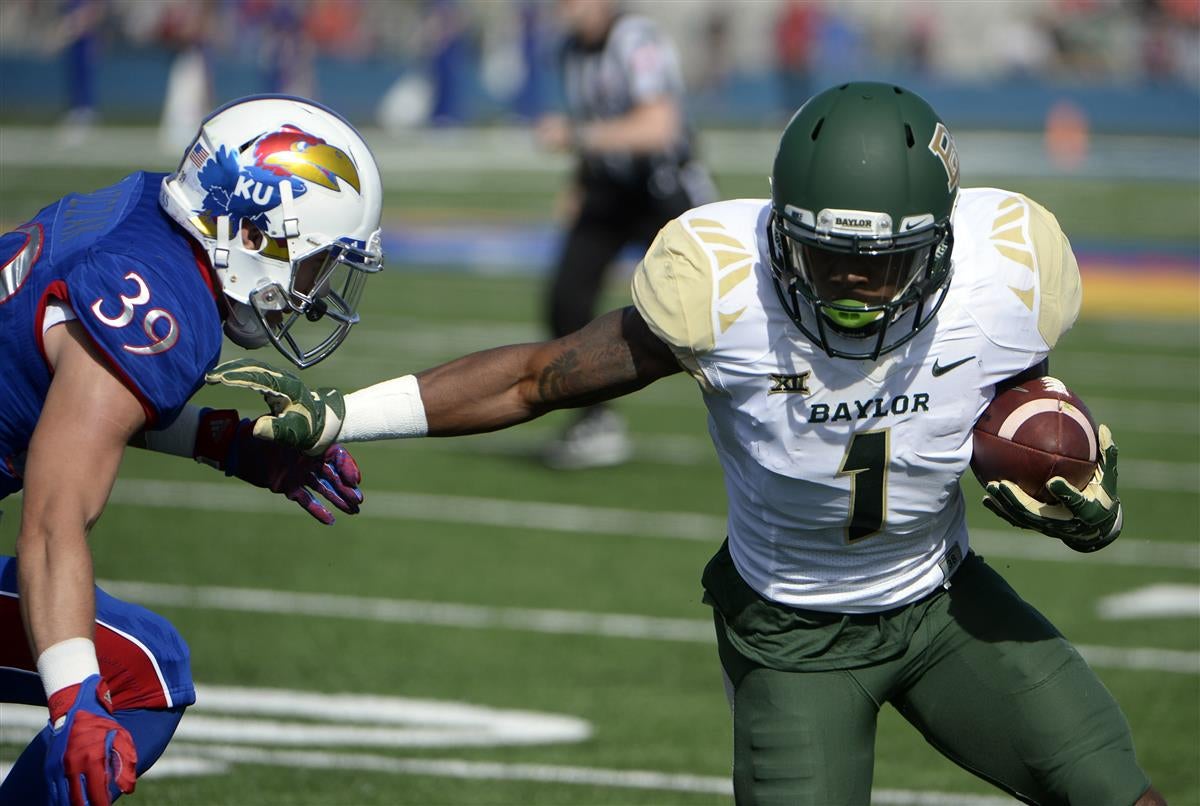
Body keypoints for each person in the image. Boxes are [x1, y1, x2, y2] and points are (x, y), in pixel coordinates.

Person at [211, 82, 1164, 806]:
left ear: (942, 243)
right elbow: (536, 378)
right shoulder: (723, 287)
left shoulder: (1008, 275)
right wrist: (340, 414)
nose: (848, 291)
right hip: (793, 641)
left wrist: (1084, 487)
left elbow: (1026, 411)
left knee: (1120, 794)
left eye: (878, 266)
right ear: (779, 227)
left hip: (945, 600)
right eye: (824, 257)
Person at [0, 94, 382, 805]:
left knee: (147, 668)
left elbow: (76, 402)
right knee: (139, 679)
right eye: (316, 265)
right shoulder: (163, 298)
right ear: (260, 232)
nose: (316, 294)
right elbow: (52, 524)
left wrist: (223, 442)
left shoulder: (148, 213)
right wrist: (74, 700)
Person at [533, 0, 716, 469]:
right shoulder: (571, 49)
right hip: (610, 190)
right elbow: (600, 117)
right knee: (565, 299)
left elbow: (658, 126)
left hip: (663, 188)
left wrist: (576, 137)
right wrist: (579, 180)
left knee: (718, 305)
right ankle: (593, 420)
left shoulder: (635, 39)